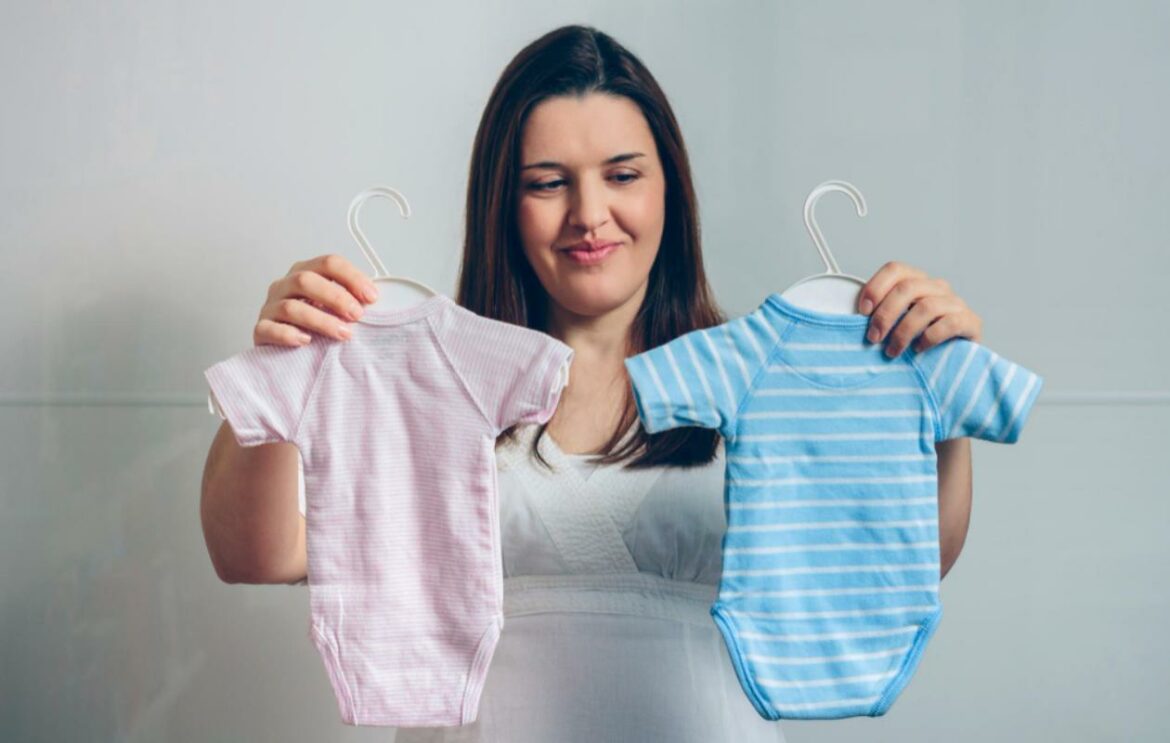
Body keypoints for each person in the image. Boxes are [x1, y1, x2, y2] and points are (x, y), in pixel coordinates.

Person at [200, 24, 981, 742]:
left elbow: (913, 553)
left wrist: (937, 399)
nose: (590, 213)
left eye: (622, 174)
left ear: (668, 188)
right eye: (548, 182)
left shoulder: (760, 375)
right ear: (502, 202)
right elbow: (256, 554)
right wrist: (282, 372)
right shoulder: (415, 381)